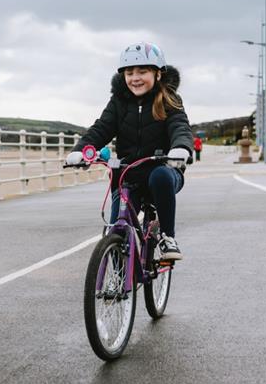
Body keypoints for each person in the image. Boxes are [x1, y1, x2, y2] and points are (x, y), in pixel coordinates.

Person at [66, 42, 193, 260]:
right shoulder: (118, 102)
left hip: (162, 169)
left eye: (142, 71)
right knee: (116, 229)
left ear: (158, 74)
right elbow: (101, 128)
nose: (135, 78)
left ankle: (167, 237)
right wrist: (79, 150)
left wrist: (181, 148)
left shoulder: (170, 99)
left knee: (160, 175)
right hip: (129, 173)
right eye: (129, 72)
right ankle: (115, 280)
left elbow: (179, 126)